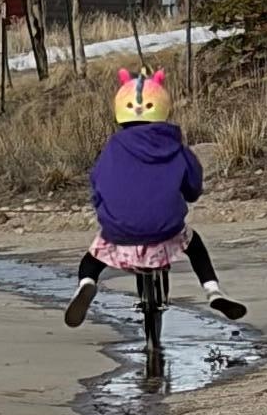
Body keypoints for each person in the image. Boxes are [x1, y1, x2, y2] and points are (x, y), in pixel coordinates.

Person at [62, 64, 245, 330]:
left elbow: (98, 183)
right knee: (195, 246)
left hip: (119, 230)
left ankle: (87, 284)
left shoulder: (113, 148)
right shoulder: (175, 147)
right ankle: (213, 290)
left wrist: (105, 208)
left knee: (93, 258)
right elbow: (193, 187)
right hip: (166, 229)